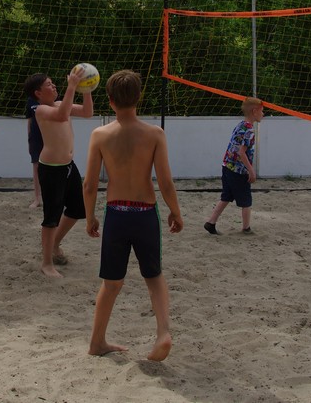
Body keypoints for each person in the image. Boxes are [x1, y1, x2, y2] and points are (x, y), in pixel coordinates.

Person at [83, 70, 183, 362]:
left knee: (111, 283)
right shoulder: (154, 134)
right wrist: (175, 212)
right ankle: (163, 333)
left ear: (110, 100)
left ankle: (97, 342)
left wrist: (90, 217)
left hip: (116, 213)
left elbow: (89, 185)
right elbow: (165, 182)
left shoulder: (100, 135)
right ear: (139, 98)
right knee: (154, 277)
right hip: (145, 213)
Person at [24, 66, 94, 277]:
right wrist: (71, 86)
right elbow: (63, 115)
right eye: (49, 84)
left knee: (78, 209)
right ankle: (46, 264)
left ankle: (54, 244)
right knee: (51, 217)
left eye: (53, 83)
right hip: (51, 170)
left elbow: (88, 113)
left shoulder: (59, 104)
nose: (54, 86)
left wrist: (86, 89)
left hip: (68, 166)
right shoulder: (40, 110)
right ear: (38, 93)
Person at [204, 96, 264, 235]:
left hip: (227, 166)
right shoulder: (249, 130)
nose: (263, 114)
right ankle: (246, 228)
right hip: (238, 171)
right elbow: (241, 152)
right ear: (254, 111)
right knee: (246, 200)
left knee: (226, 196)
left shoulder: (240, 125)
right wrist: (251, 171)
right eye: (261, 111)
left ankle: (210, 223)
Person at [25, 95, 43, 208]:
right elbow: (30, 121)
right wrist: (29, 139)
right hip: (36, 138)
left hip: (51, 137)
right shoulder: (31, 100)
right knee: (36, 167)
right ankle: (37, 198)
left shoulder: (54, 98)